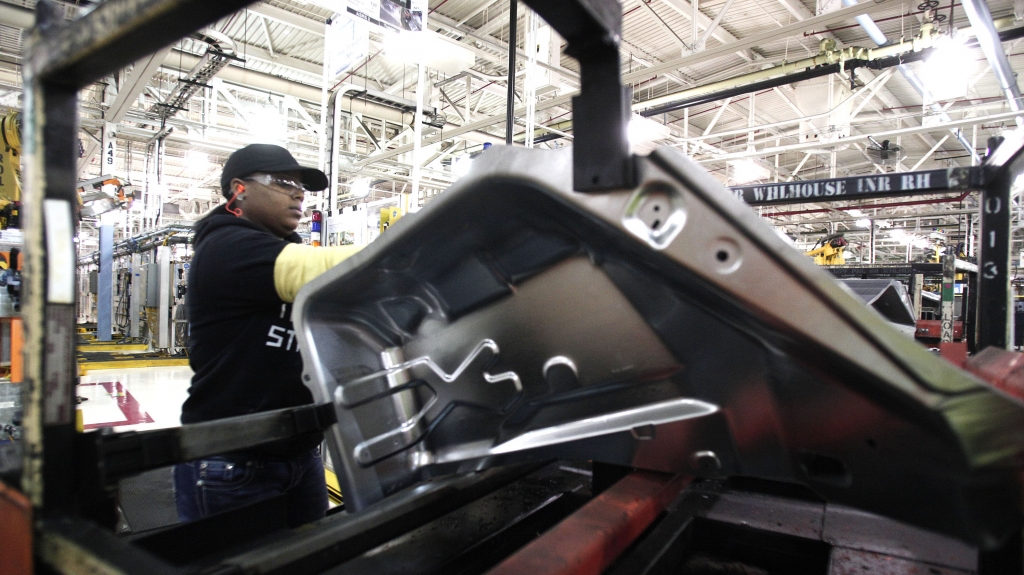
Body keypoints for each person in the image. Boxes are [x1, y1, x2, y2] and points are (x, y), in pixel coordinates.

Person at [174, 144, 361, 527]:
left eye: (301, 186)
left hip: (299, 454)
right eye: (283, 182)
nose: (298, 193)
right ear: (239, 189)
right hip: (233, 462)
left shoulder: (276, 249)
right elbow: (325, 271)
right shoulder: (226, 247)